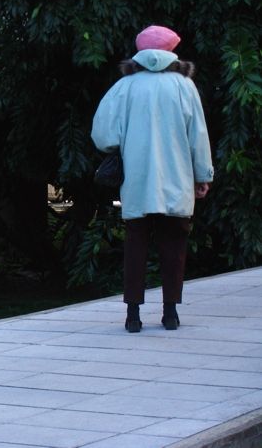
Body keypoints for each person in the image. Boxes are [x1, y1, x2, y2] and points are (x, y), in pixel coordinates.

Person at [92, 25, 214, 332]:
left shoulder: (126, 85)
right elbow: (197, 136)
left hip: (136, 180)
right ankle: (170, 313)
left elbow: (102, 133)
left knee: (135, 245)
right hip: (177, 179)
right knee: (174, 244)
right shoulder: (184, 85)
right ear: (172, 51)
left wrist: (123, 145)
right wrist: (202, 175)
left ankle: (132, 316)